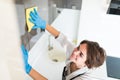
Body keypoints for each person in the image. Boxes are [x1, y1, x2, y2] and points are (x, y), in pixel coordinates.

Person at [21, 8, 106, 80]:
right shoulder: (75, 53)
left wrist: (28, 68)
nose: (75, 52)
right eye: (78, 48)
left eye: (81, 55)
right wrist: (43, 24)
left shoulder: (82, 78)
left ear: (86, 64)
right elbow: (62, 38)